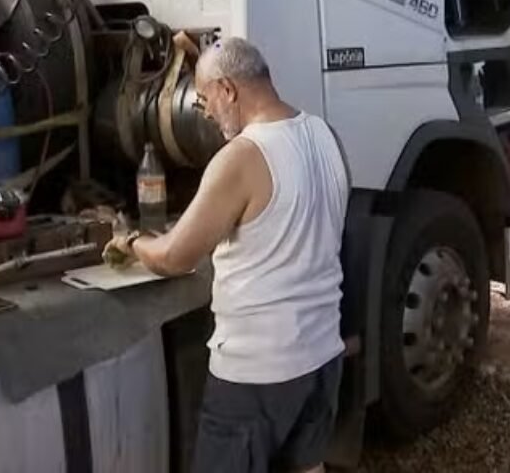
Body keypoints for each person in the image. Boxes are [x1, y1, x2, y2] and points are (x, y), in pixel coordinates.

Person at [105, 37, 349, 473]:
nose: (207, 112)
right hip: (321, 356)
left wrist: (131, 240)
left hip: (257, 373)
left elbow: (175, 257)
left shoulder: (241, 157)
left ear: (228, 90)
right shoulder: (324, 135)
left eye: (204, 99)